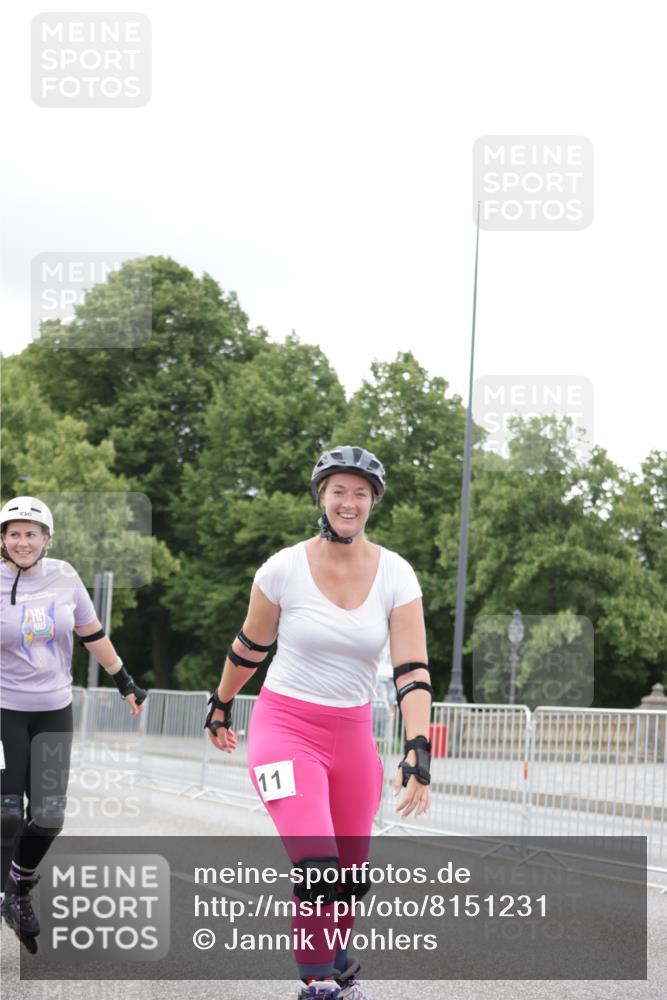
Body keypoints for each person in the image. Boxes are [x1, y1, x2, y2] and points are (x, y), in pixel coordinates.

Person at [205, 447, 433, 1000]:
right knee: (319, 867)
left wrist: (417, 749)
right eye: (339, 491)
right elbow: (250, 646)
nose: (349, 502)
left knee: (349, 877)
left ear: (373, 502)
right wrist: (221, 703)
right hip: (283, 730)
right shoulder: (283, 568)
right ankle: (319, 982)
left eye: (361, 493)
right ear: (321, 497)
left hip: (352, 737)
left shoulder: (396, 574)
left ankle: (333, 966)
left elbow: (411, 669)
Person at [0, 496, 147, 953]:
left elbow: (92, 634)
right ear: (3, 540)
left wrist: (124, 681)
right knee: (7, 812)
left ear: (47, 539)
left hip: (53, 710)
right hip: (4, 710)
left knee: (48, 815)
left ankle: (18, 887)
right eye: (13, 533)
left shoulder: (64, 577)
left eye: (31, 533)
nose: (22, 541)